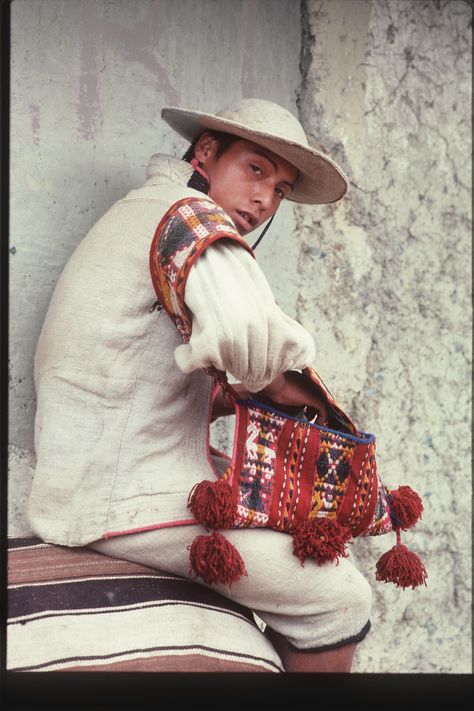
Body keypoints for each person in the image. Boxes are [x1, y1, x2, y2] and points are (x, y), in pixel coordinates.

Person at [27, 98, 372, 673]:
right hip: (118, 496)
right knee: (340, 600)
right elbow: (251, 339)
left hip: (94, 470)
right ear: (207, 153)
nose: (264, 200)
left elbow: (135, 363)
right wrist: (287, 385)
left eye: (281, 189)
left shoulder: (147, 209)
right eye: (256, 169)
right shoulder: (190, 219)